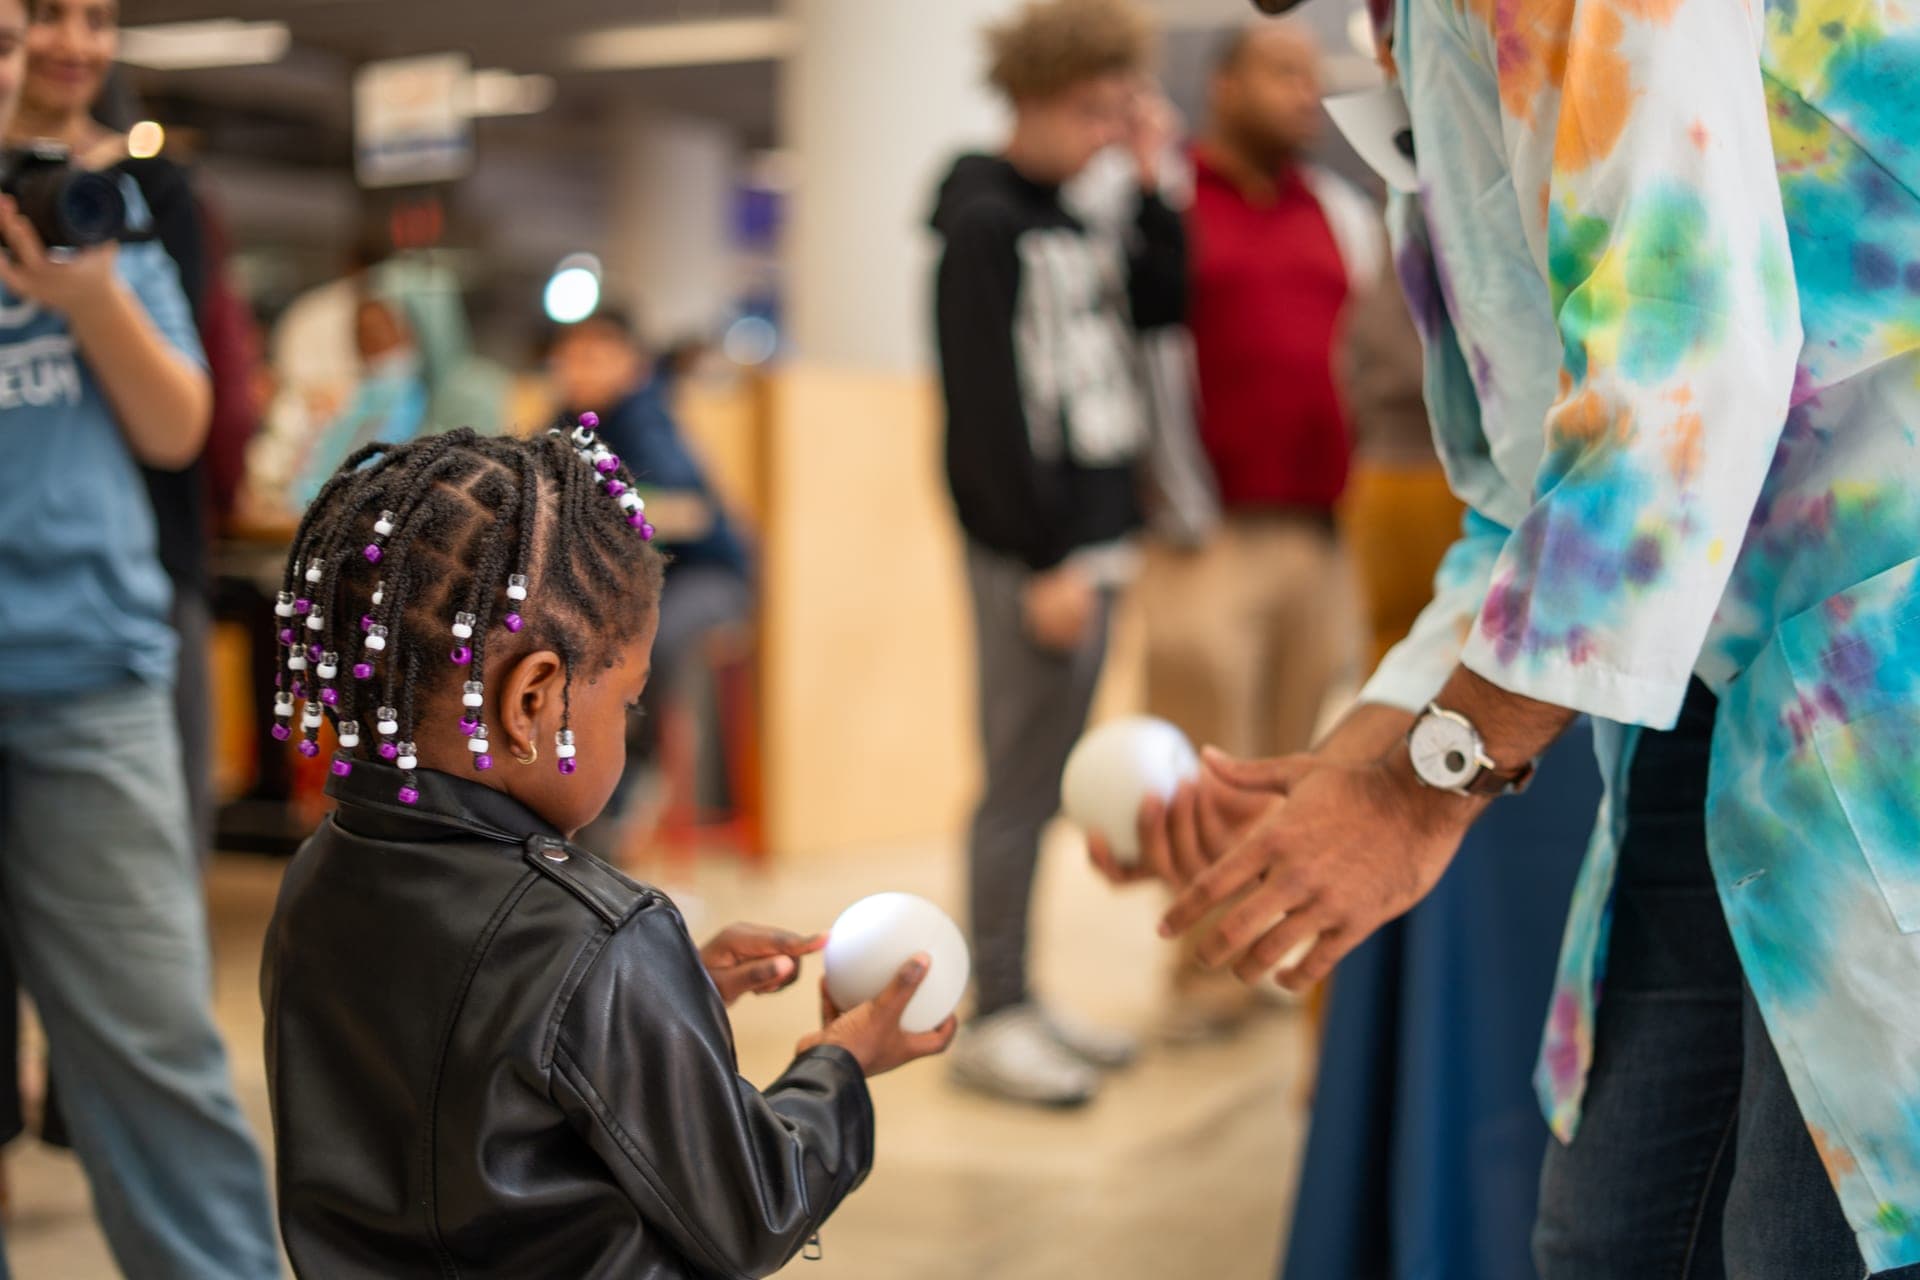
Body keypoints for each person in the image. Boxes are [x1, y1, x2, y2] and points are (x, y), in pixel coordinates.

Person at [1103, 0, 1920, 1274]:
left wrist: (1423, 793)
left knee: (1809, 1236)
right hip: (1731, 680)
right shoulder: (1417, 31)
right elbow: (1534, 481)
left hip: (1879, 670)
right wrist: (1368, 751)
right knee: (1610, 1234)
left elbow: (1684, 381)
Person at [261, 426, 954, 1277]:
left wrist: (668, 1001)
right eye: (627, 700)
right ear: (531, 700)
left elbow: (460, 1069)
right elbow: (752, 1210)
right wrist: (838, 1068)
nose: (630, 726)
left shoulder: (317, 878)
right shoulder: (599, 939)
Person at [0, 0, 281, 1273]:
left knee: (150, 1038)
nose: (37, 56)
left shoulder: (90, 205)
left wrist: (86, 294)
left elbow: (181, 427)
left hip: (88, 665)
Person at [928, 0, 1185, 1108]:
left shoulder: (1080, 216)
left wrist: (1154, 173)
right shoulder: (980, 223)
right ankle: (997, 1013)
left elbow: (1166, 307)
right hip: (1037, 555)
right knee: (1020, 783)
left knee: (1045, 776)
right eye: (1091, 110)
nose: (1102, 131)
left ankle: (1024, 996)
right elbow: (981, 413)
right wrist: (1041, 558)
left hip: (1095, 540)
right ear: (1032, 96)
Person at [1138, 20, 1379, 1042]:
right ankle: (1200, 976)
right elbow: (1144, 361)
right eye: (1283, 75)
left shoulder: (1337, 211)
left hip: (1320, 529)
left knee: (1292, 765)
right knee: (1206, 774)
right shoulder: (1171, 201)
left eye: (1314, 81)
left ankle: (1266, 958)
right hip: (1210, 534)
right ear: (1223, 83)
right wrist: (1164, 505)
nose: (1305, 97)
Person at [546, 308, 753, 838]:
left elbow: (684, 505)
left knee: (645, 639)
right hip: (638, 581)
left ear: (631, 364)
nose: (577, 367)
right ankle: (578, 784)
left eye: (594, 354)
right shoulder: (567, 419)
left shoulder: (646, 414)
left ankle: (635, 775)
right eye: (569, 355)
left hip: (709, 577)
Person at [289, 295, 430, 504]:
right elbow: (318, 466)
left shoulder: (420, 393)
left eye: (381, 330)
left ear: (404, 333)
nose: (375, 341)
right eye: (364, 335)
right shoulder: (354, 399)